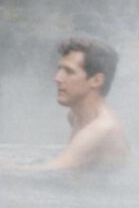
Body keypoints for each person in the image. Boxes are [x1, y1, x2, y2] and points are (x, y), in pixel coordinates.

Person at [45, 37, 129, 170]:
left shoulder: (102, 129)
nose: (57, 78)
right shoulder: (75, 116)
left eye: (69, 72)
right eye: (60, 69)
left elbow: (51, 171)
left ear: (96, 80)